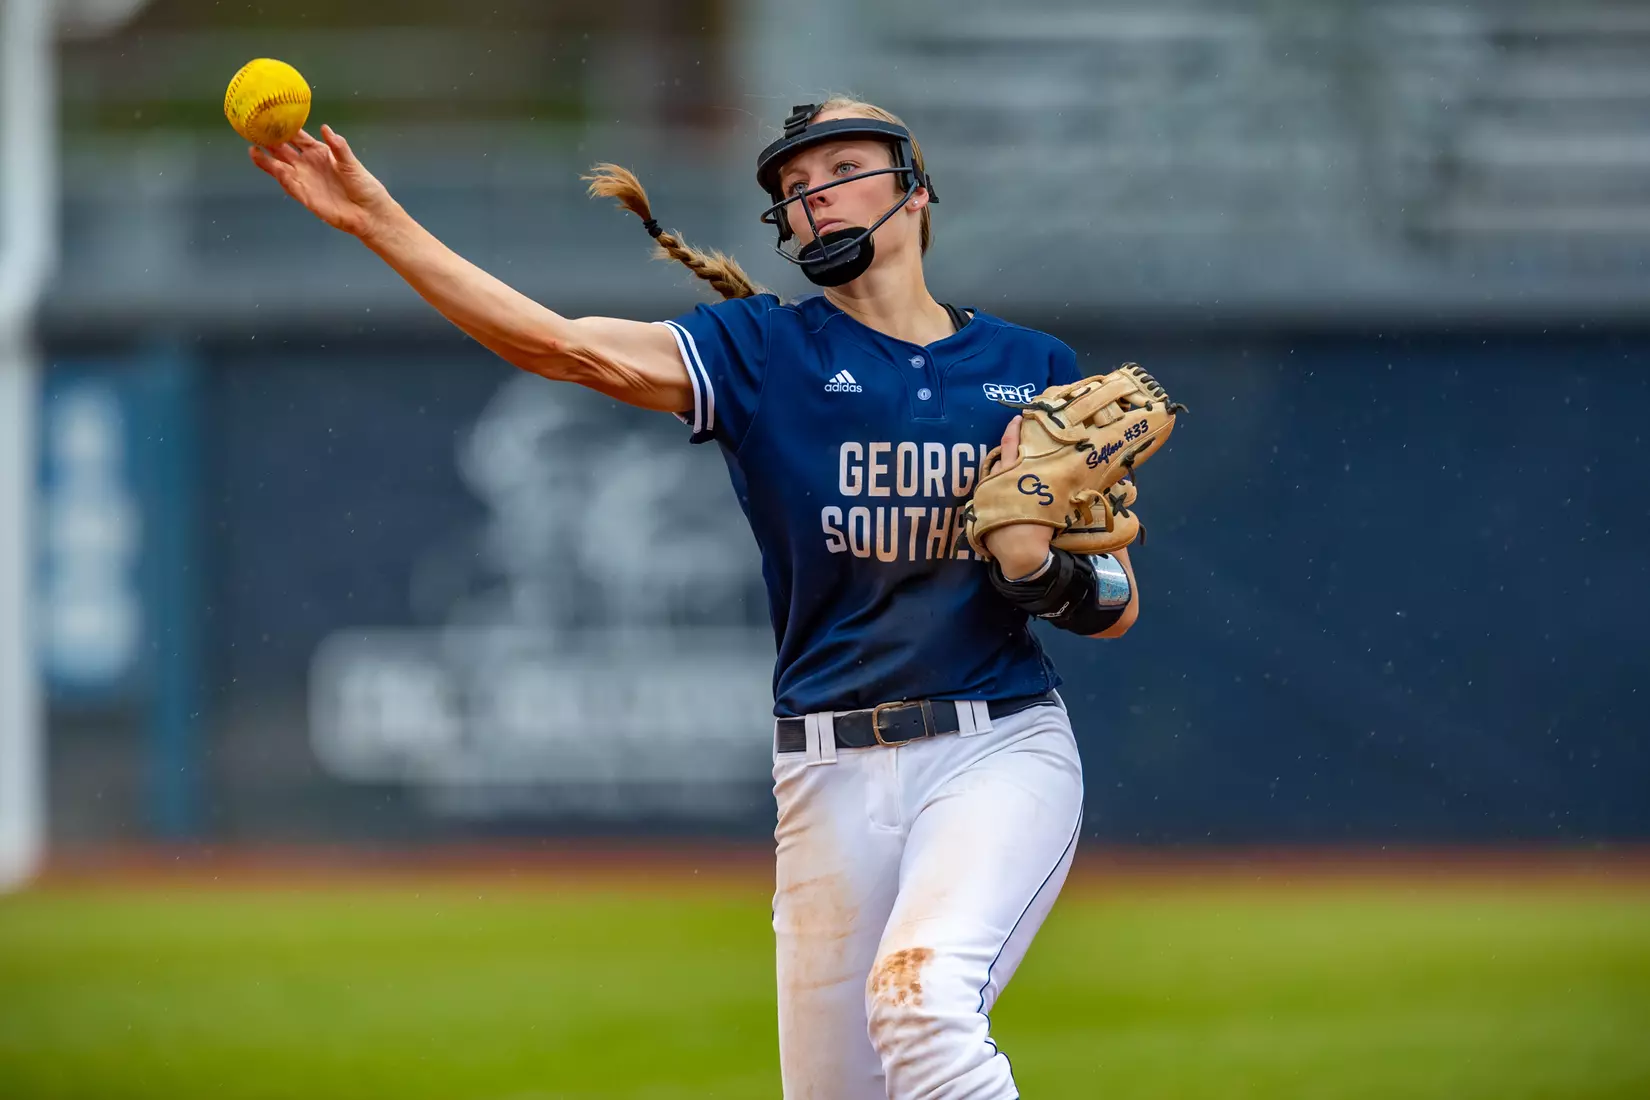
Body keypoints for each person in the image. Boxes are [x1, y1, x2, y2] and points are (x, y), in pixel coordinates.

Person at [251, 96, 1142, 1100]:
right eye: (793, 190)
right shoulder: (764, 350)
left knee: (922, 1002)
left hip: (996, 747)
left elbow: (1112, 599)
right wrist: (380, 221)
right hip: (827, 774)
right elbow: (561, 344)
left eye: (841, 168)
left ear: (916, 189)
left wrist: (1042, 569)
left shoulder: (1030, 371)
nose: (814, 198)